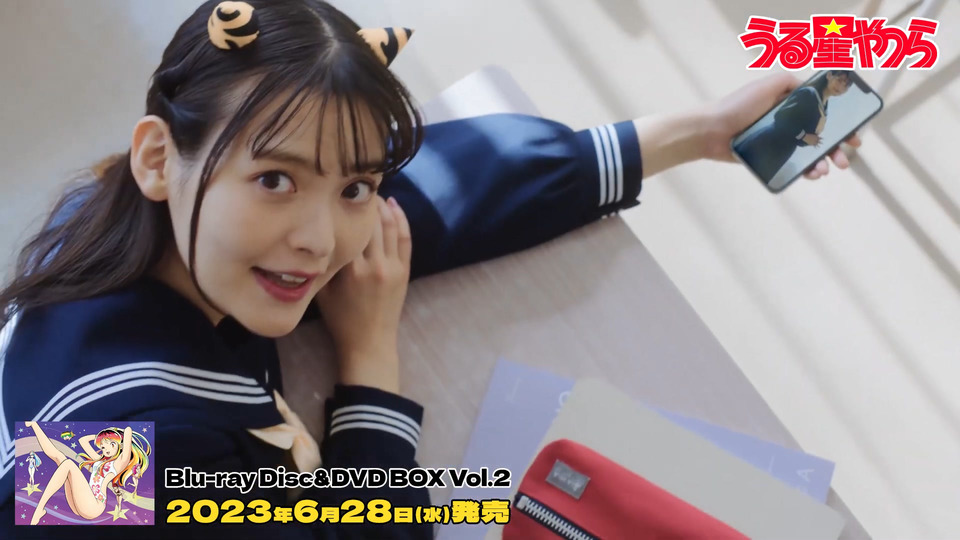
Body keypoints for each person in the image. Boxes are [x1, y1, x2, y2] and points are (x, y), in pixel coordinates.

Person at [0, 0, 860, 538]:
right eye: (276, 180)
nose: (321, 241)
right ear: (158, 157)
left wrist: (698, 134)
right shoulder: (104, 464)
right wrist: (370, 363)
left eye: (352, 186)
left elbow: (443, 189)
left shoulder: (125, 226)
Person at [733, 70, 853, 182]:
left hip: (783, 151)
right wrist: (804, 136)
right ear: (829, 75)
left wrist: (810, 140)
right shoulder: (808, 93)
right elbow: (781, 117)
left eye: (846, 85)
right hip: (768, 142)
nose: (841, 87)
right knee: (741, 175)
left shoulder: (824, 106)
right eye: (839, 80)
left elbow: (803, 137)